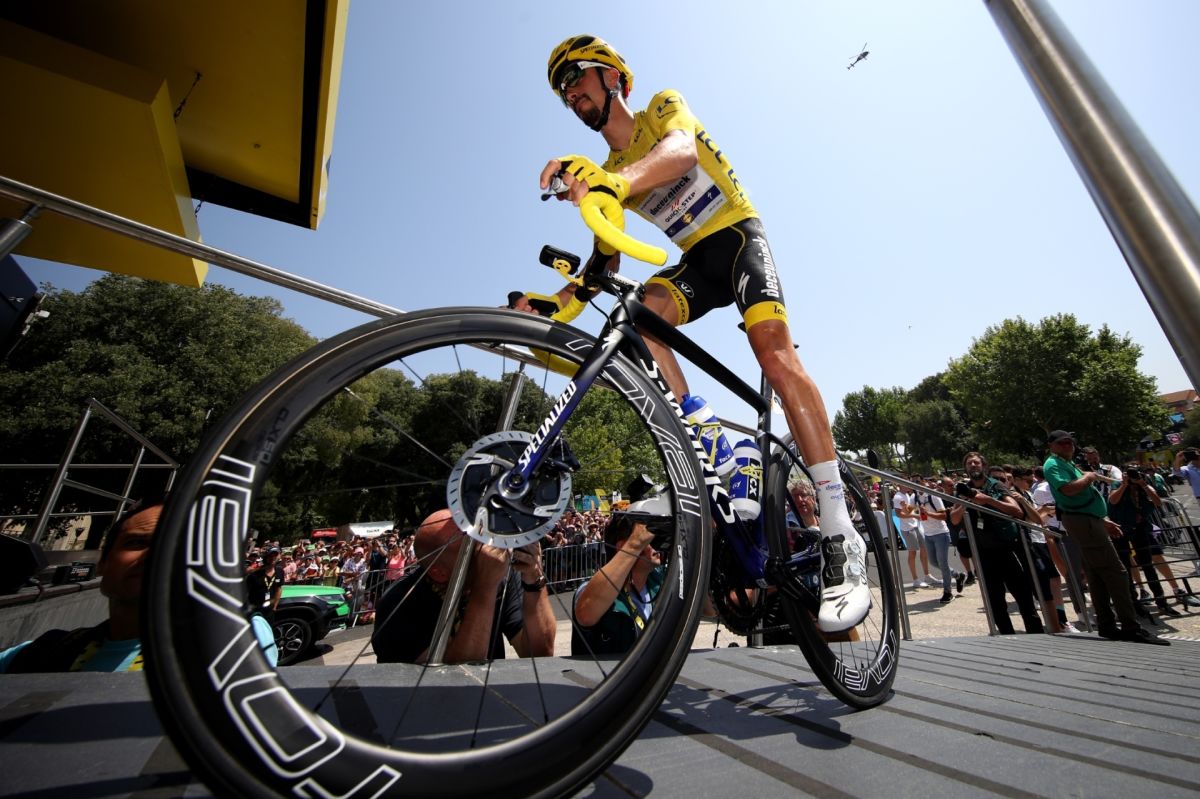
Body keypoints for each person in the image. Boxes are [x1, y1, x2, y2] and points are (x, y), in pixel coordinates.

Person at [536, 35, 868, 633]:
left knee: (774, 357)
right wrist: (552, 304)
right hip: (696, 261)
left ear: (612, 77)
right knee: (641, 316)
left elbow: (681, 152)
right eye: (562, 90)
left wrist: (614, 183)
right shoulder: (610, 169)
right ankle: (707, 438)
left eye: (576, 76)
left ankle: (840, 526)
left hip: (739, 238)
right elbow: (604, 261)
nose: (570, 92)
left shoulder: (661, 107)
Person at [1, 499, 278, 673]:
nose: (155, 555)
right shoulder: (41, 653)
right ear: (103, 562)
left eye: (178, 547)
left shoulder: (235, 637)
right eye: (137, 543)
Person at [371, 509, 556, 664]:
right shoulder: (397, 603)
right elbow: (455, 678)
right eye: (473, 549)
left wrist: (534, 577)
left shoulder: (497, 574)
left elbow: (540, 654)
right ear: (438, 573)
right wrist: (485, 587)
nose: (489, 551)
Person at [1042, 431, 1168, 645]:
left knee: (1096, 574)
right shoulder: (1053, 464)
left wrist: (1102, 520)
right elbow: (1068, 490)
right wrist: (1089, 477)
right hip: (1083, 522)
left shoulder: (1066, 463)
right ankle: (1130, 626)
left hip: (1089, 520)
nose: (1067, 445)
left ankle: (1107, 625)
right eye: (1061, 443)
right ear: (1051, 446)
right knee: (1116, 572)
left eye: (1070, 442)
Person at [949, 453, 1044, 635]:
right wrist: (965, 502)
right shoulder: (964, 489)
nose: (973, 465)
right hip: (983, 551)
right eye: (969, 463)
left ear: (983, 466)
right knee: (995, 599)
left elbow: (1016, 511)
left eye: (976, 462)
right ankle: (1007, 635)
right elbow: (954, 519)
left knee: (1022, 594)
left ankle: (1036, 633)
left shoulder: (995, 485)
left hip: (1006, 547)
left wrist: (987, 500)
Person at [571, 498, 666, 655]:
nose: (659, 545)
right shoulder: (588, 588)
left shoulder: (659, 579)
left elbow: (706, 609)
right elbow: (585, 614)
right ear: (623, 547)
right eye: (651, 539)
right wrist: (635, 544)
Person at [1107, 464, 1187, 617]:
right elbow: (1113, 501)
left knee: (1148, 565)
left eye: (1136, 472)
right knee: (1126, 567)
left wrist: (1143, 484)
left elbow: (1158, 502)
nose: (1133, 476)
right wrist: (1124, 485)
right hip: (1121, 529)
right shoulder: (1118, 485)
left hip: (1140, 528)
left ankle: (1161, 601)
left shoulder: (1144, 485)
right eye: (1130, 473)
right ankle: (1134, 603)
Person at [916, 479, 961, 604]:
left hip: (941, 534)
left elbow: (943, 516)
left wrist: (927, 513)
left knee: (942, 563)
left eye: (919, 484)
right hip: (928, 534)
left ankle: (948, 592)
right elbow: (916, 513)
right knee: (933, 562)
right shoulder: (916, 498)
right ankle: (957, 575)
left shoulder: (934, 496)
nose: (917, 487)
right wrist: (906, 508)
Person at [893, 482, 929, 589]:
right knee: (912, 553)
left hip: (916, 525)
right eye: (906, 483)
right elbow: (898, 514)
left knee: (924, 549)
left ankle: (927, 575)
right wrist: (914, 515)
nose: (908, 485)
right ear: (900, 485)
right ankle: (915, 580)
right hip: (907, 528)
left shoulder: (908, 495)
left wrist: (918, 513)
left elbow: (909, 509)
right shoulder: (898, 497)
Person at [246, 546, 284, 623]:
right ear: (265, 557)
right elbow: (245, 593)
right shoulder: (255, 574)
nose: (273, 558)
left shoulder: (280, 571)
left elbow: (278, 589)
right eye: (270, 555)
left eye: (275, 555)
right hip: (255, 611)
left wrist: (275, 606)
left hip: (269, 611)